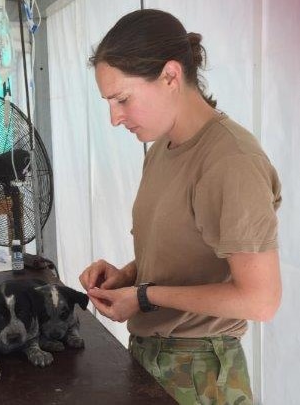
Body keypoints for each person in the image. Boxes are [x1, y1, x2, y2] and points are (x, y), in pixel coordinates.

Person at [79, 9, 281, 405]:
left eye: (122, 99)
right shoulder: (160, 150)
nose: (114, 118)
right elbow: (185, 255)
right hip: (149, 357)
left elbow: (260, 300)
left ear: (171, 76)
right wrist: (127, 276)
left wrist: (143, 297)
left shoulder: (231, 160)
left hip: (202, 373)